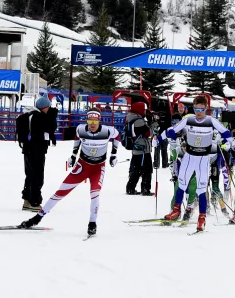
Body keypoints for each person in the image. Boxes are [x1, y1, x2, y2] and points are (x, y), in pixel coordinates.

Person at [20, 108, 119, 236]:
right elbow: (77, 138)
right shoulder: (81, 129)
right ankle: (37, 218)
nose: (92, 124)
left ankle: (92, 223)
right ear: (87, 121)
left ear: (99, 120)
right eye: (90, 120)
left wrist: (113, 155)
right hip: (82, 166)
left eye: (95, 120)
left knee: (95, 194)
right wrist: (73, 155)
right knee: (60, 192)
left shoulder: (107, 131)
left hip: (98, 168)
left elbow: (117, 136)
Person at [162, 96, 231, 232]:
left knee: (201, 188)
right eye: (196, 109)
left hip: (203, 158)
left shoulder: (212, 121)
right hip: (189, 156)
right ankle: (176, 211)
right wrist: (161, 137)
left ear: (206, 109)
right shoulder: (188, 119)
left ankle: (201, 218)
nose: (198, 112)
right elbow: (173, 130)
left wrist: (226, 141)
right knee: (182, 184)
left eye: (201, 109)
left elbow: (226, 132)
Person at [21, 96, 58, 212]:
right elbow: (50, 127)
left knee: (30, 174)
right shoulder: (39, 117)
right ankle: (34, 202)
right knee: (37, 175)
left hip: (28, 149)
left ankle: (27, 199)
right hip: (36, 150)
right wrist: (52, 116)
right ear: (45, 107)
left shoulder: (30, 115)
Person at [124, 102, 153, 196]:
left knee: (136, 169)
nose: (145, 111)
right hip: (143, 148)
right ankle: (145, 189)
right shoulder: (138, 120)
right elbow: (148, 133)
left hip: (136, 148)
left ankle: (130, 188)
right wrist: (152, 122)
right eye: (144, 110)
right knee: (147, 170)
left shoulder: (130, 117)